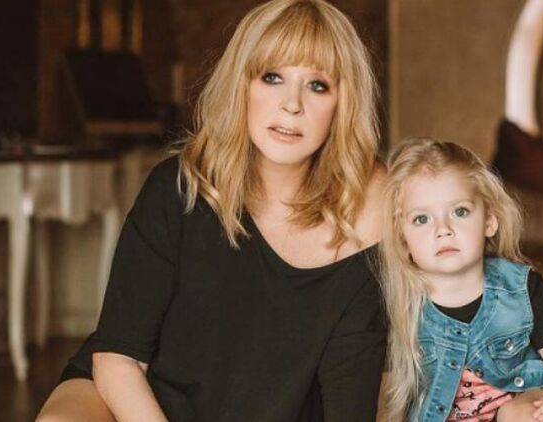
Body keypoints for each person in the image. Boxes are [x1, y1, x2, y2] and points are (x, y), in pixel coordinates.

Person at [36, 0, 387, 421]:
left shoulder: (367, 216)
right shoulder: (177, 188)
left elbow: (352, 396)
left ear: (342, 104)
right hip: (133, 395)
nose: (292, 104)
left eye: (317, 85)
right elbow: (117, 359)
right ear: (242, 85)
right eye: (272, 77)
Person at [377, 139, 543, 422]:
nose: (443, 230)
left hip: (524, 409)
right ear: (403, 240)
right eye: (422, 219)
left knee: (524, 412)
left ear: (489, 221)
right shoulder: (399, 305)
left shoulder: (521, 290)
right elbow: (385, 400)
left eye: (460, 212)